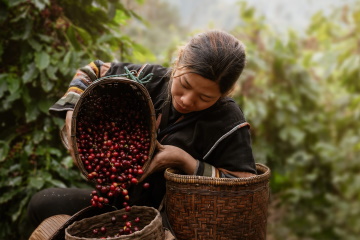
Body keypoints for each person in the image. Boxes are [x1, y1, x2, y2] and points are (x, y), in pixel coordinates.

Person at [27, 29, 257, 229]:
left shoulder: (228, 122)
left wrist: (184, 161)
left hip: (174, 221)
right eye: (184, 85)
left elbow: (244, 186)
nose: (187, 100)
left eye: (205, 97)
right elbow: (92, 71)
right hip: (119, 202)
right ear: (178, 63)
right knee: (42, 204)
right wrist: (72, 111)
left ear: (224, 94)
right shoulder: (151, 78)